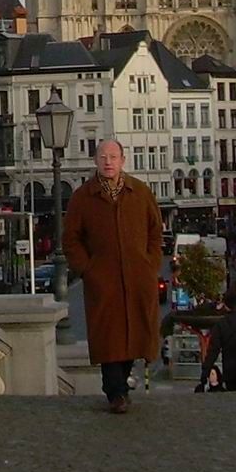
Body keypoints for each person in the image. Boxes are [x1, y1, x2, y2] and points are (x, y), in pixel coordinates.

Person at [64, 138, 163, 414]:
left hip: (136, 278)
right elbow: (71, 240)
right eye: (103, 157)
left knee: (135, 332)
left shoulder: (140, 192)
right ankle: (115, 391)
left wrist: (150, 264)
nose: (108, 162)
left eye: (113, 157)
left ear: (122, 160)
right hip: (103, 280)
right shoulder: (83, 197)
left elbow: (156, 232)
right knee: (109, 336)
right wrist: (88, 269)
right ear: (96, 160)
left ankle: (122, 385)